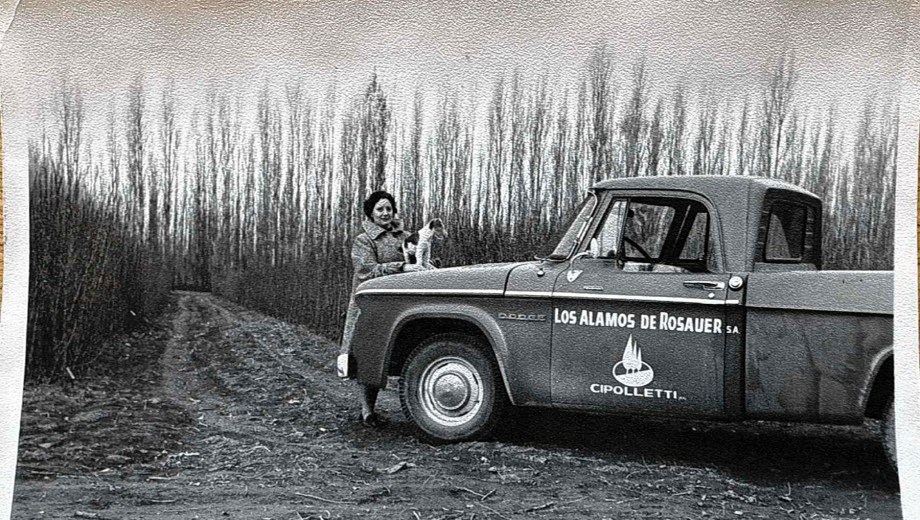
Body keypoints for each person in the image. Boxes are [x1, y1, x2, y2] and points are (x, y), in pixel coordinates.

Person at [340, 190, 427, 427]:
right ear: (370, 213)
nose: (386, 213)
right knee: (369, 355)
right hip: (371, 304)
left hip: (403, 305)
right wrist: (401, 267)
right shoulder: (363, 240)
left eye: (389, 208)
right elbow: (366, 270)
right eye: (380, 209)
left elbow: (418, 262)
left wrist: (425, 263)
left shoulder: (407, 237)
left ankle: (419, 409)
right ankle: (367, 411)